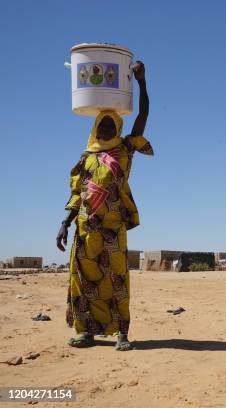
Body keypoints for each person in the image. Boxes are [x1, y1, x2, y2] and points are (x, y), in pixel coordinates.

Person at [56, 61, 152, 351]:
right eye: (103, 124)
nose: (107, 126)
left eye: (111, 124)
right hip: (86, 227)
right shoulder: (86, 158)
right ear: (96, 127)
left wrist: (142, 83)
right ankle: (85, 331)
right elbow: (78, 193)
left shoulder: (124, 150)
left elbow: (144, 115)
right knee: (82, 281)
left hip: (113, 227)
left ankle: (122, 333)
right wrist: (64, 223)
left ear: (118, 127)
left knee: (117, 280)